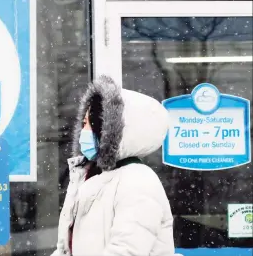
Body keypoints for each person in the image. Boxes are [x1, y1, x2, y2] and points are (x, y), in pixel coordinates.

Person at [51, 75, 180, 256]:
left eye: (88, 124)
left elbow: (126, 251)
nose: (83, 130)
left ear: (106, 130)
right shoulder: (92, 177)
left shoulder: (138, 181)